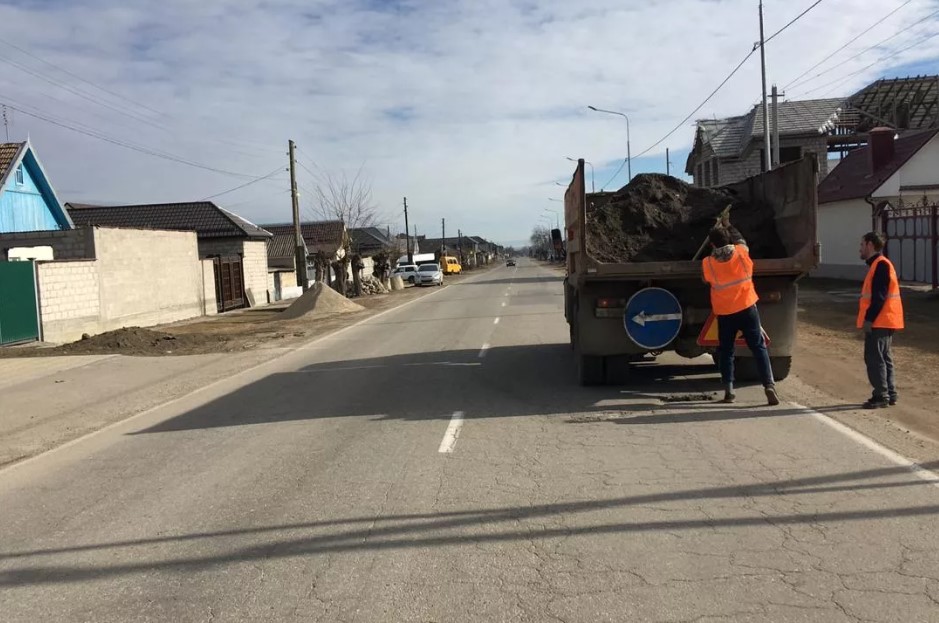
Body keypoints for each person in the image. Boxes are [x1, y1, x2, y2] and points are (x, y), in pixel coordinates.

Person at [702, 220, 779, 406]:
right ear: (730, 240)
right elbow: (741, 240)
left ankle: (729, 392)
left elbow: (706, 281)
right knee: (758, 347)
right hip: (747, 308)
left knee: (726, 351)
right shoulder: (741, 253)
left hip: (725, 313)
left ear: (712, 244)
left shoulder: (708, 263)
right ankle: (769, 385)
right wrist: (729, 225)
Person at [857, 231, 904, 409]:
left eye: (862, 245)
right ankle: (890, 394)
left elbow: (879, 296)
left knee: (875, 358)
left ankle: (881, 396)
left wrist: (869, 319)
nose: (860, 249)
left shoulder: (881, 265)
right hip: (886, 320)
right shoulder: (880, 265)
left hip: (880, 321)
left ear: (870, 245)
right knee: (884, 358)